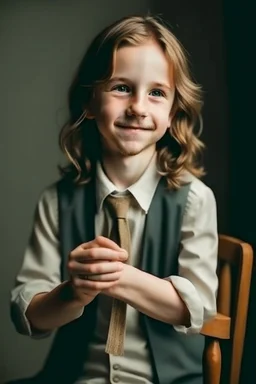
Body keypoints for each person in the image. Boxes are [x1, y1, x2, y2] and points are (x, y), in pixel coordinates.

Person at [10, 14, 218, 384]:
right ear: (90, 101)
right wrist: (74, 292)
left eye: (156, 93)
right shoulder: (57, 202)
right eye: (121, 87)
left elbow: (199, 308)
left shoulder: (195, 199)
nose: (138, 106)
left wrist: (118, 278)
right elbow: (29, 316)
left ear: (172, 113)